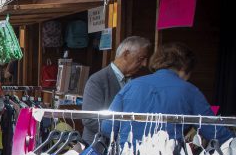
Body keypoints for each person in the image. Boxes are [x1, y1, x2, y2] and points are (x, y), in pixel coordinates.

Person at [101, 42, 230, 144]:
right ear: (185, 68)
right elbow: (215, 132)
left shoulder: (131, 86)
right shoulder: (189, 91)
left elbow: (107, 127)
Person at [82, 36, 151, 142]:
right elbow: (89, 119)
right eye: (141, 59)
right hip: (99, 145)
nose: (144, 64)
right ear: (126, 54)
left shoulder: (137, 81)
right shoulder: (97, 80)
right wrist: (123, 133)